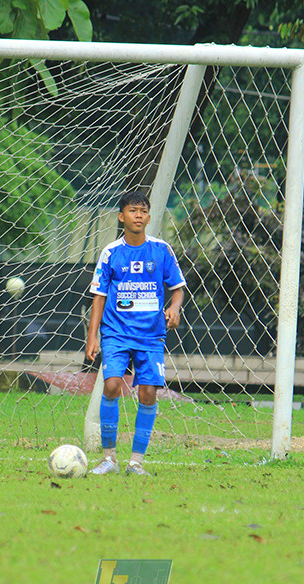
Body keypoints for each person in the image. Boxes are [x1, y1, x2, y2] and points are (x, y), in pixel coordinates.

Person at [85, 190, 185, 476]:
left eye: (143, 211)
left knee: (149, 392)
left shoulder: (161, 250)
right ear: (121, 216)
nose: (138, 215)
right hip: (116, 332)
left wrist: (175, 309)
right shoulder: (111, 252)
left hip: (151, 335)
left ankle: (136, 462)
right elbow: (99, 297)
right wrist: (92, 337)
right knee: (112, 385)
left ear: (149, 217)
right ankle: (109, 459)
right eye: (132, 210)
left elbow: (177, 290)